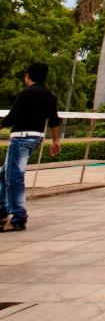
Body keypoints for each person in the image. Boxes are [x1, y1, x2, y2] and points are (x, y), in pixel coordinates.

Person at [0, 63, 61, 232]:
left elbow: (11, 117)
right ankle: (2, 212)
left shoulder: (25, 94)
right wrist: (56, 140)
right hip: (36, 137)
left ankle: (19, 217)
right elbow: (54, 120)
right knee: (4, 174)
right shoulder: (50, 95)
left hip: (21, 137)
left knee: (14, 177)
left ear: (28, 76)